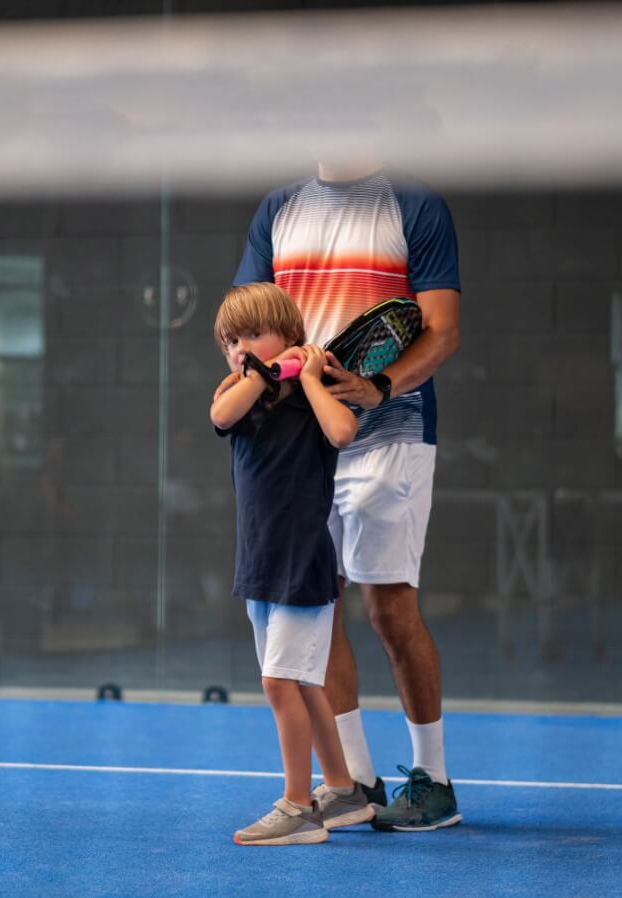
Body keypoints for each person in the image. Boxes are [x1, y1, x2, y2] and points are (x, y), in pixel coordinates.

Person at [233, 161, 463, 832]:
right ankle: (356, 780)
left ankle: (435, 780)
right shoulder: (278, 207)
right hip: (304, 438)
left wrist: (381, 385)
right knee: (315, 601)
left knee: (389, 606)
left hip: (390, 431)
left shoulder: (415, 203)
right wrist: (273, 376)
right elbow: (244, 324)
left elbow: (442, 329)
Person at [209, 283, 371, 846]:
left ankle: (300, 807)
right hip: (259, 565)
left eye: (253, 334)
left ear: (290, 337)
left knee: (281, 683)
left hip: (303, 564)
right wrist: (258, 370)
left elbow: (344, 431)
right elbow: (221, 413)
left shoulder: (314, 391)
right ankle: (344, 792)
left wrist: (305, 376)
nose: (240, 347)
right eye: (231, 339)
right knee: (302, 685)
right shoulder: (240, 391)